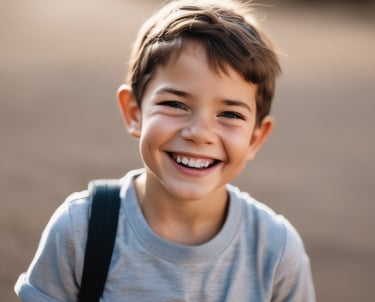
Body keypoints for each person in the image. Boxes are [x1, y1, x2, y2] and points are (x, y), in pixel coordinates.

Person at [14, 0, 316, 301]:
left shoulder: (277, 251)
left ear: (255, 139)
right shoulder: (80, 230)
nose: (199, 133)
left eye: (230, 114)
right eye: (175, 104)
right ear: (134, 113)